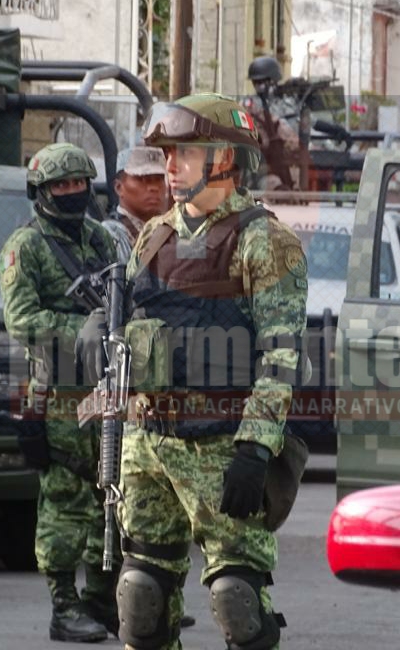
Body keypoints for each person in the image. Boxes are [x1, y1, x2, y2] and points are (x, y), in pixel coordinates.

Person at [113, 93, 309, 650]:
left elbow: (281, 357)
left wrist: (255, 450)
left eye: (183, 154)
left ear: (223, 158)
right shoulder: (153, 237)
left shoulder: (263, 240)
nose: (168, 168)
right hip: (148, 444)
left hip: (224, 447)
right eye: (166, 155)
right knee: (141, 595)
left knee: (237, 601)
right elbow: (133, 337)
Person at [0, 143, 118, 643]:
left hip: (107, 391)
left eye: (78, 185)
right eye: (60, 187)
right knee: (64, 501)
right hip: (55, 394)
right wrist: (81, 328)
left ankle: (102, 602)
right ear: (41, 192)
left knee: (110, 496)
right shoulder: (24, 247)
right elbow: (20, 320)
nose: (71, 193)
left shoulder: (103, 240)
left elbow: (123, 299)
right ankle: (64, 607)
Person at [101, 146, 169, 264]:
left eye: (159, 179)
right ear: (119, 188)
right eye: (142, 179)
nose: (154, 187)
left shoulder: (169, 230)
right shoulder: (109, 234)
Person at [243, 56, 300, 190]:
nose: (258, 86)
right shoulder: (249, 105)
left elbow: (296, 132)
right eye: (255, 82)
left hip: (283, 159)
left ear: (273, 82)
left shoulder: (285, 103)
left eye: (261, 82)